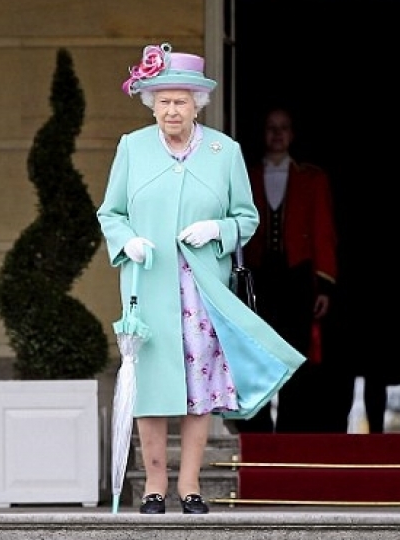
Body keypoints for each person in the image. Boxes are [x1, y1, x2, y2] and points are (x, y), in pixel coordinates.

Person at [97, 43, 304, 514]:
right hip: (147, 287)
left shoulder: (223, 151)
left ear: (198, 104)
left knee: (199, 389)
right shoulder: (132, 146)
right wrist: (126, 240)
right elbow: (111, 212)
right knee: (151, 388)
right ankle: (154, 485)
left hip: (202, 290)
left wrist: (219, 229)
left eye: (181, 101)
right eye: (163, 101)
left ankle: (190, 486)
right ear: (152, 103)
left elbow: (246, 218)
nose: (172, 109)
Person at [233, 107, 345, 433]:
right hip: (259, 275)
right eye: (271, 128)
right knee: (257, 351)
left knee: (295, 352)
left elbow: (324, 232)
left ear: (292, 134)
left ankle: (293, 427)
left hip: (297, 276)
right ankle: (258, 425)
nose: (277, 134)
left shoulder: (312, 177)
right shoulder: (246, 175)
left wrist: (324, 285)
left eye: (283, 128)